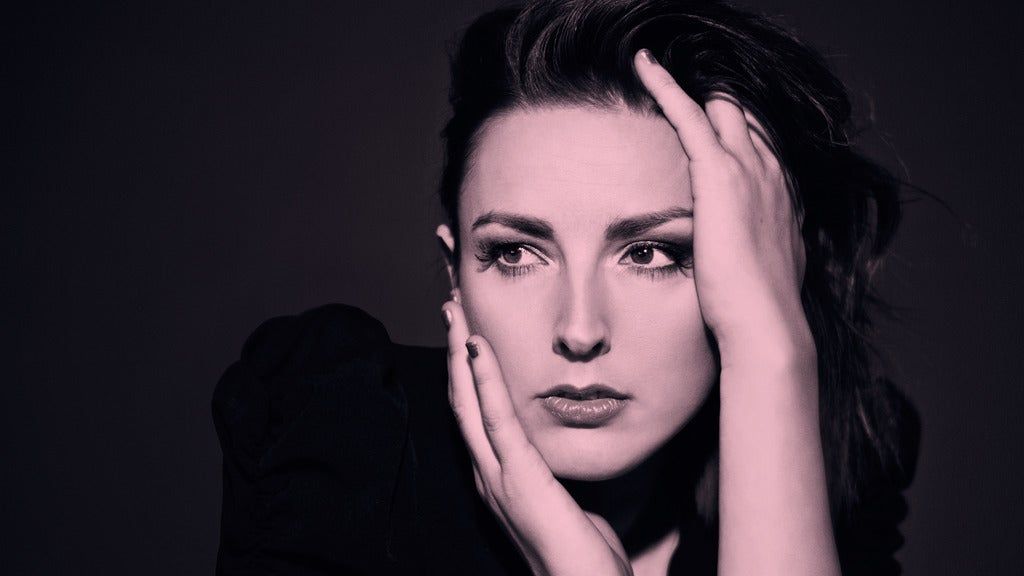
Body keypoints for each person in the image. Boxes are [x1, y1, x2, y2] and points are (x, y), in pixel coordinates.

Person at [212, 1, 920, 574]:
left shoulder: (835, 461)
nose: (580, 331)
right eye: (517, 253)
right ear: (456, 273)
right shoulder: (344, 444)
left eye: (649, 253)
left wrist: (770, 354)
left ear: (755, 273)